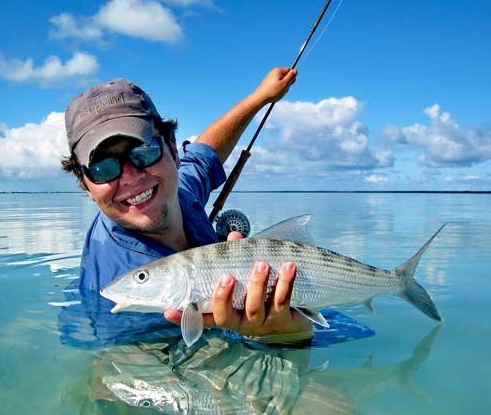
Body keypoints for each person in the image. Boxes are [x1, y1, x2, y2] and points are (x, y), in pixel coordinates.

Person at [61, 67, 312, 340]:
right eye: (103, 168)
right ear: (85, 184)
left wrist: (260, 98)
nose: (131, 178)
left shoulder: (176, 188)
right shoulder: (127, 302)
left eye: (144, 151)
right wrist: (284, 338)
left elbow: (206, 153)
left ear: (172, 150)